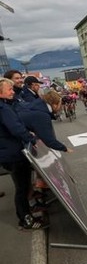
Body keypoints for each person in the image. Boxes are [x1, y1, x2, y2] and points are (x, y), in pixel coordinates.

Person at [0, 78, 45, 230]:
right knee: (22, 188)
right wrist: (31, 138)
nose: (13, 92)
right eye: (9, 90)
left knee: (23, 187)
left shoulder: (5, 105)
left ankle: (26, 214)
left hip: (9, 152)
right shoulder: (3, 108)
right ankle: (25, 219)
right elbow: (16, 128)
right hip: (13, 153)